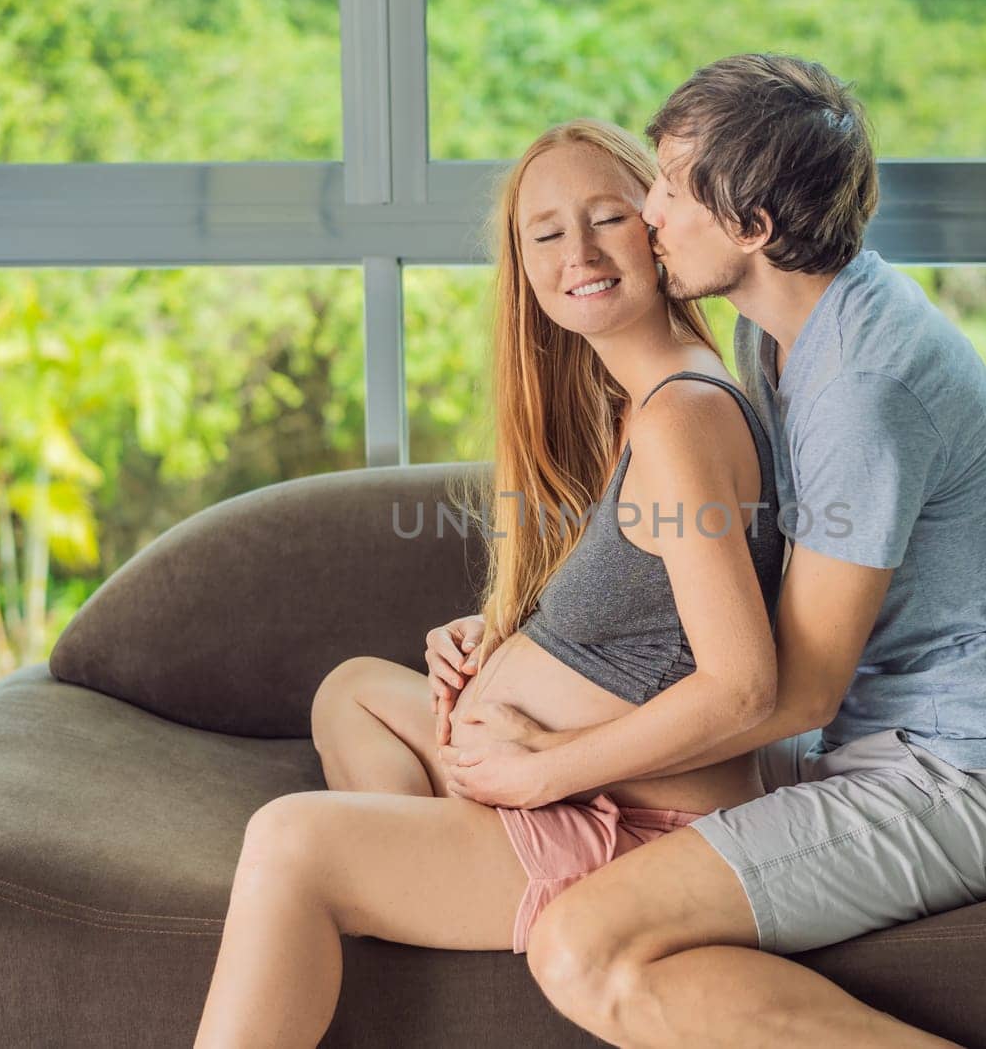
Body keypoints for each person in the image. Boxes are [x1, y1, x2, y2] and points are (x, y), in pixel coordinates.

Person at [435, 54, 986, 1048]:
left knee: (579, 943)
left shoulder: (865, 388)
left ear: (752, 229)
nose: (646, 213)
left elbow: (785, 693)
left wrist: (546, 766)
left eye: (667, 190)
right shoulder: (776, 335)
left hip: (960, 779)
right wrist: (524, 647)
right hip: (861, 738)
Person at [191, 118, 788, 1047]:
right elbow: (646, 612)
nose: (578, 252)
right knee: (353, 689)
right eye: (545, 234)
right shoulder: (644, 404)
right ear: (522, 267)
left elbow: (743, 686)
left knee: (291, 840)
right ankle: (416, 885)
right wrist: (504, 642)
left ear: (661, 229)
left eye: (608, 218)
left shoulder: (683, 419)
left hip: (637, 824)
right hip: (568, 790)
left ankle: (393, 882)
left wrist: (535, 767)